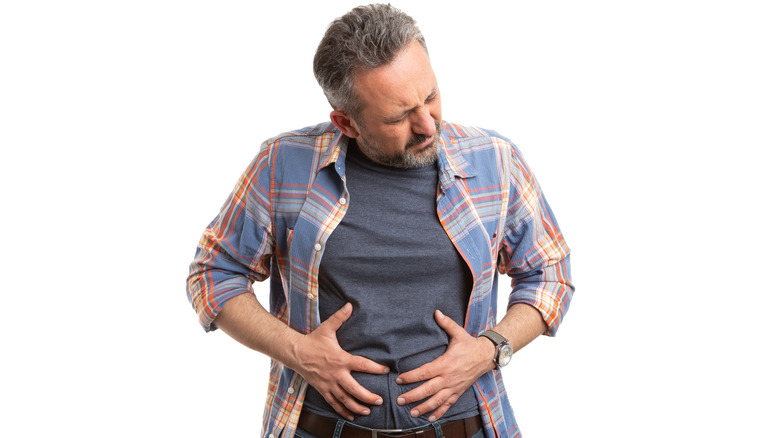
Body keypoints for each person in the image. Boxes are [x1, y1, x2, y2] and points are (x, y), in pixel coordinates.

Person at [187, 4, 573, 438]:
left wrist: (490, 349)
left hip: (467, 427)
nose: (427, 124)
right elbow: (213, 274)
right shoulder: (283, 164)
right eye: (398, 116)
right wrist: (297, 351)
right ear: (345, 122)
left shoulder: (495, 161)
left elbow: (550, 274)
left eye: (430, 97)